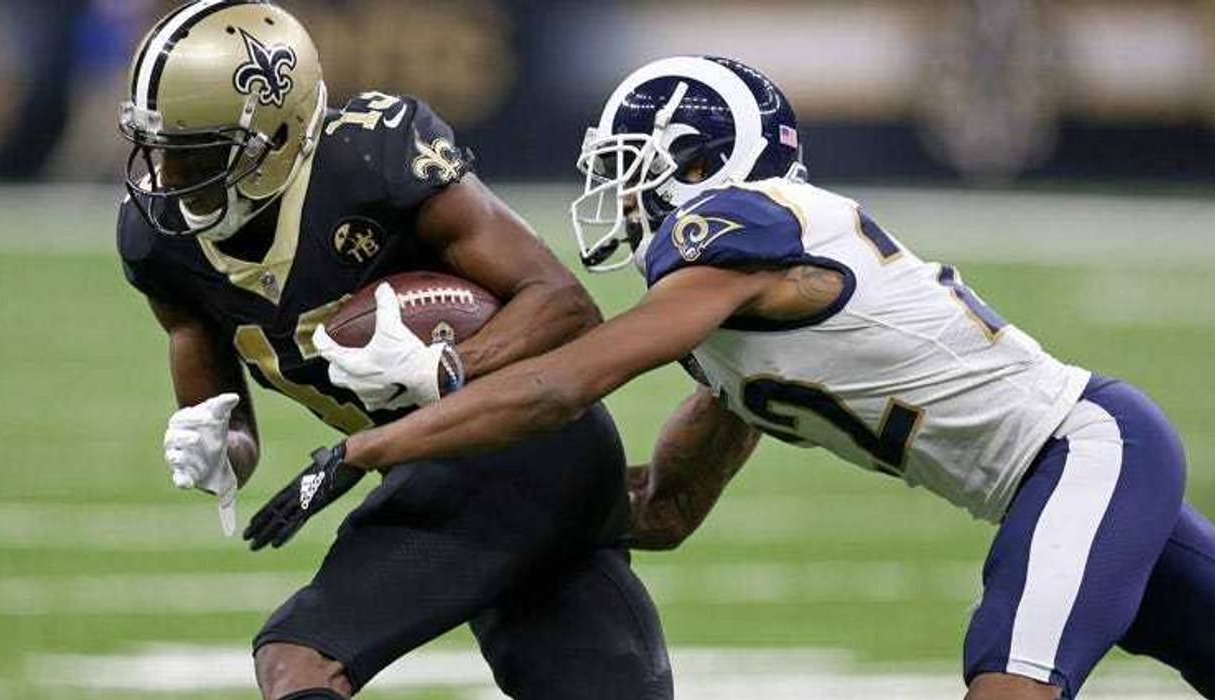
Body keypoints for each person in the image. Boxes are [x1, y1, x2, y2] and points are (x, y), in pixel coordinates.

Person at [259, 56, 1215, 699]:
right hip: (1064, 476)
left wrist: (367, 443)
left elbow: (563, 385)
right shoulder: (719, 323)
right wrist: (502, 519)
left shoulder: (738, 230)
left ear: (700, 161)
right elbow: (665, 509)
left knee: (1007, 680)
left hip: (1083, 451)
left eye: (631, 165)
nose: (620, 190)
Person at [116, 3, 672, 699]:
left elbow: (563, 305)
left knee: (299, 661)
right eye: (158, 149)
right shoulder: (158, 241)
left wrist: (448, 368)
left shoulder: (371, 161)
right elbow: (226, 418)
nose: (167, 178)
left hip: (525, 446)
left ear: (279, 131)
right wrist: (217, 450)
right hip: (443, 464)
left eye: (195, 152)